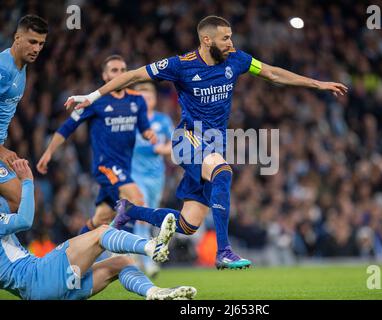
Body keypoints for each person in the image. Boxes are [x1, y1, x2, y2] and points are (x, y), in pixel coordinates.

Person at [64, 15, 348, 270]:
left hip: (213, 145)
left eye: (231, 37)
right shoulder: (180, 65)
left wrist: (317, 84)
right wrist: (91, 97)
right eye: (225, 38)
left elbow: (273, 73)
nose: (230, 43)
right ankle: (224, 251)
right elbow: (134, 75)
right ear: (206, 39)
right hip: (187, 140)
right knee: (223, 171)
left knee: (188, 224)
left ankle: (130, 211)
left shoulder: (236, 59)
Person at [0, 159, 196, 300]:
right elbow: (25, 220)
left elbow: (11, 202)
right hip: (39, 277)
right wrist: (27, 180)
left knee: (121, 263)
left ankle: (154, 293)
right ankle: (152, 246)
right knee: (101, 233)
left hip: (41, 289)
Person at [37, 55, 157, 237]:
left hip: (124, 168)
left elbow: (144, 128)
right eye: (114, 70)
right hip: (105, 165)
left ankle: (73, 251)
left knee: (100, 219)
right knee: (136, 198)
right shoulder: (95, 102)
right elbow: (67, 127)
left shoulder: (137, 100)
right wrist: (48, 152)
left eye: (123, 70)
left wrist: (150, 135)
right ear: (104, 75)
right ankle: (146, 241)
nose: (120, 74)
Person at [0, 14, 47, 213]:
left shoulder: (21, 66)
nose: (36, 49)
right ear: (17, 38)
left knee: (20, 201)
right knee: (19, 199)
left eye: (41, 44)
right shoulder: (3, 69)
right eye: (32, 42)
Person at [131, 81, 173, 276]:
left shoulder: (162, 121)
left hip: (156, 176)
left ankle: (136, 253)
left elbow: (175, 145)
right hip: (135, 175)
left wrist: (162, 149)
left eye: (150, 97)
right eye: (143, 98)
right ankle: (148, 262)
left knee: (152, 216)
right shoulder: (131, 121)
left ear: (155, 99)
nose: (147, 101)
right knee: (142, 215)